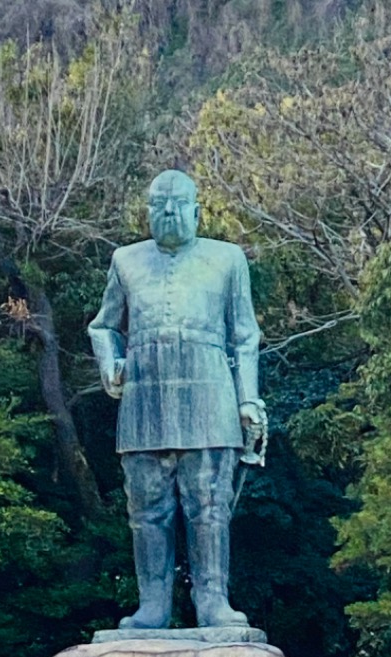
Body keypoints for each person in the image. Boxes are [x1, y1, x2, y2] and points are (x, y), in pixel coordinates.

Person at [88, 169, 263, 629]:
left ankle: (213, 601)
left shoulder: (227, 259)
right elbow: (103, 326)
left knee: (209, 504)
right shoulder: (125, 260)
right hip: (144, 397)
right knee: (146, 508)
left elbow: (245, 336)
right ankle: (153, 605)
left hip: (210, 394)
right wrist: (110, 366)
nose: (167, 213)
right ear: (147, 211)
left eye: (177, 204)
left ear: (197, 211)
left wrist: (250, 400)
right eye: (158, 205)